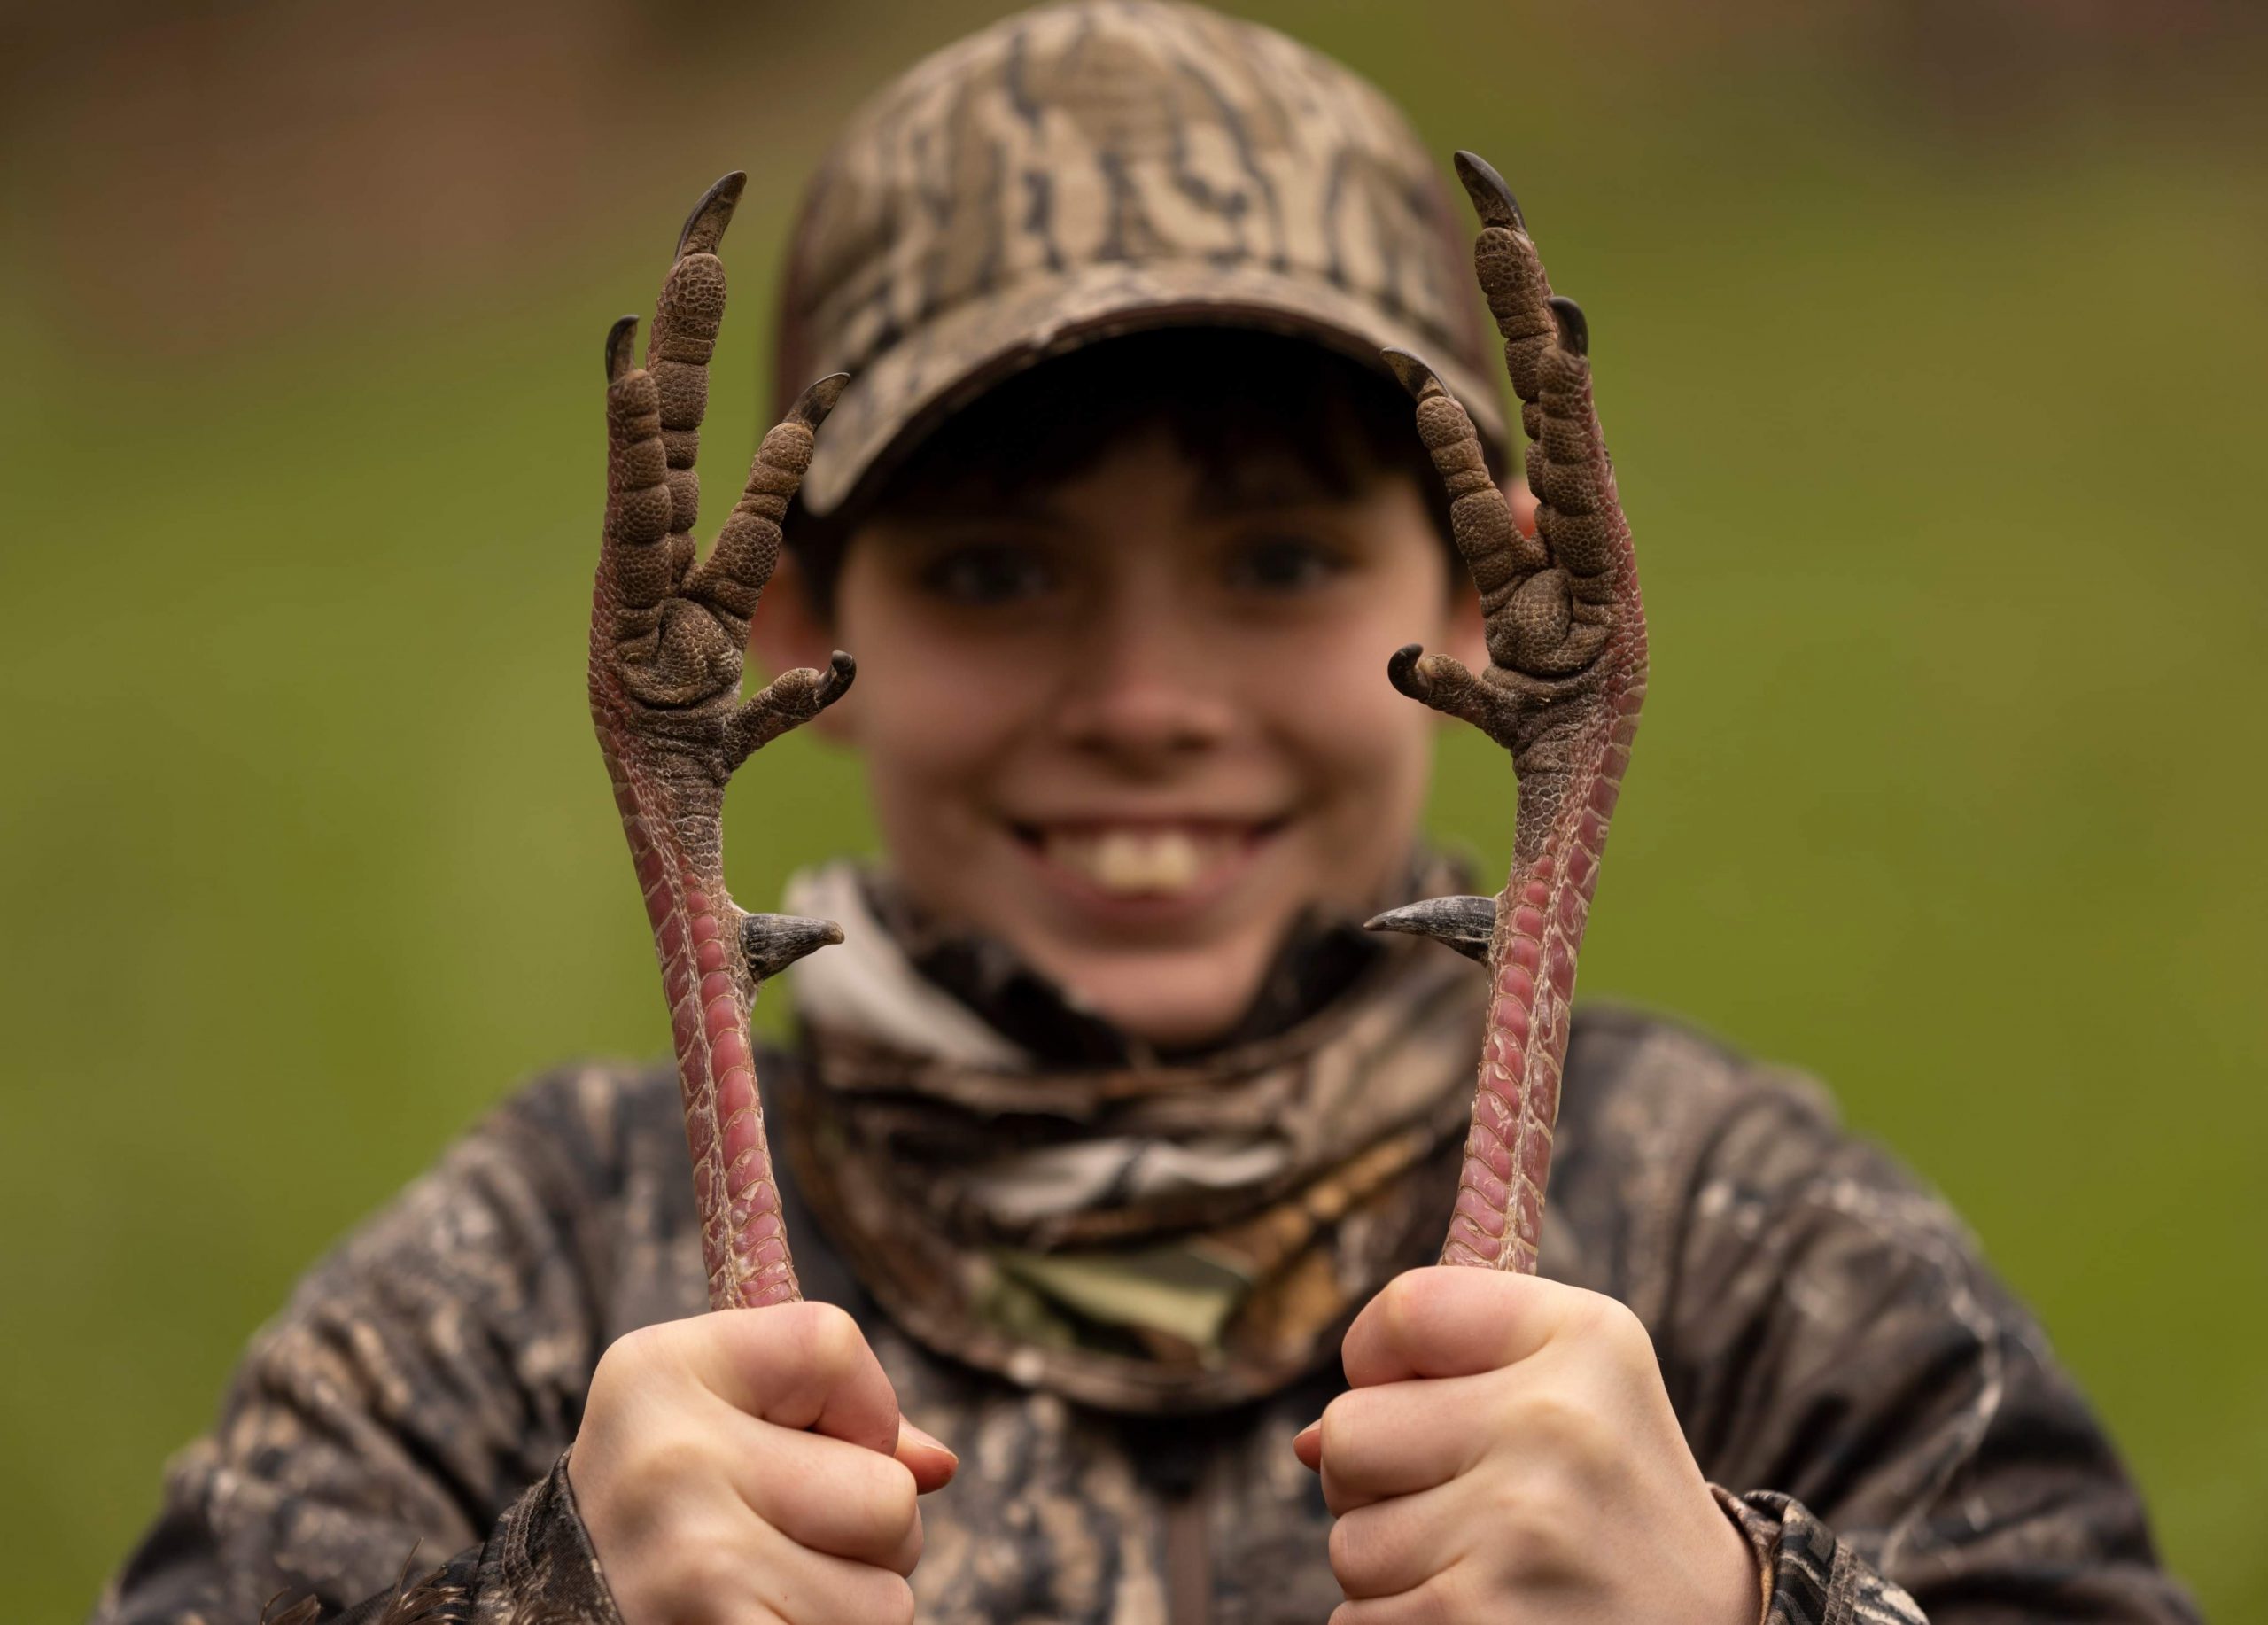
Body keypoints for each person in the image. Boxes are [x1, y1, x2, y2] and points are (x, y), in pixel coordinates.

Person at [93, 4, 2198, 1623]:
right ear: (807, 616)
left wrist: (1743, 1597)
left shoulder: (1742, 1241)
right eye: (998, 573)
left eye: (1276, 561)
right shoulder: (535, 1276)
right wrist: (546, 1590)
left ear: (1482, 581)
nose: (1142, 707)